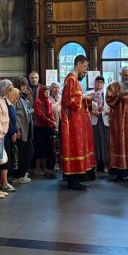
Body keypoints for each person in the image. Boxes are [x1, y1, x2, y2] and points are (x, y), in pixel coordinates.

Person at [60, 55, 96, 190]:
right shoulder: (71, 79)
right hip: (72, 121)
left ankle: (76, 179)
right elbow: (69, 100)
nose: (85, 70)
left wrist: (85, 97)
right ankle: (73, 181)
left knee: (78, 147)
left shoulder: (74, 79)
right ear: (79, 64)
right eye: (85, 66)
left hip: (77, 120)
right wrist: (86, 97)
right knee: (74, 147)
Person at [11, 77, 34, 184]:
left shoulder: (22, 97)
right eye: (23, 85)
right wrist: (17, 130)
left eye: (25, 85)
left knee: (28, 152)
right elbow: (14, 115)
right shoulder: (15, 97)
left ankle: (21, 174)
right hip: (21, 130)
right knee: (23, 153)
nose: (25, 87)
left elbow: (24, 111)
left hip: (27, 129)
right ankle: (18, 176)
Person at [32, 85, 56, 179]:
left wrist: (53, 123)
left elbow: (51, 114)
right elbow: (41, 116)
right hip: (40, 128)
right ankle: (37, 169)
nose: (47, 93)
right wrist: (52, 122)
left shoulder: (48, 101)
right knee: (39, 149)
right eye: (46, 92)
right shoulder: (38, 102)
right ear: (42, 92)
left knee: (46, 148)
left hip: (47, 127)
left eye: (49, 92)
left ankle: (44, 167)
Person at [87, 75, 107, 173]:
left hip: (104, 120)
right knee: (95, 142)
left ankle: (105, 165)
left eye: (101, 82)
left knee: (104, 142)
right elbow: (85, 107)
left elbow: (110, 107)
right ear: (94, 83)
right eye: (97, 82)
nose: (99, 84)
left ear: (103, 84)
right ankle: (94, 165)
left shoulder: (107, 94)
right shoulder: (88, 94)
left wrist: (104, 111)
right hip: (93, 120)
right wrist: (92, 112)